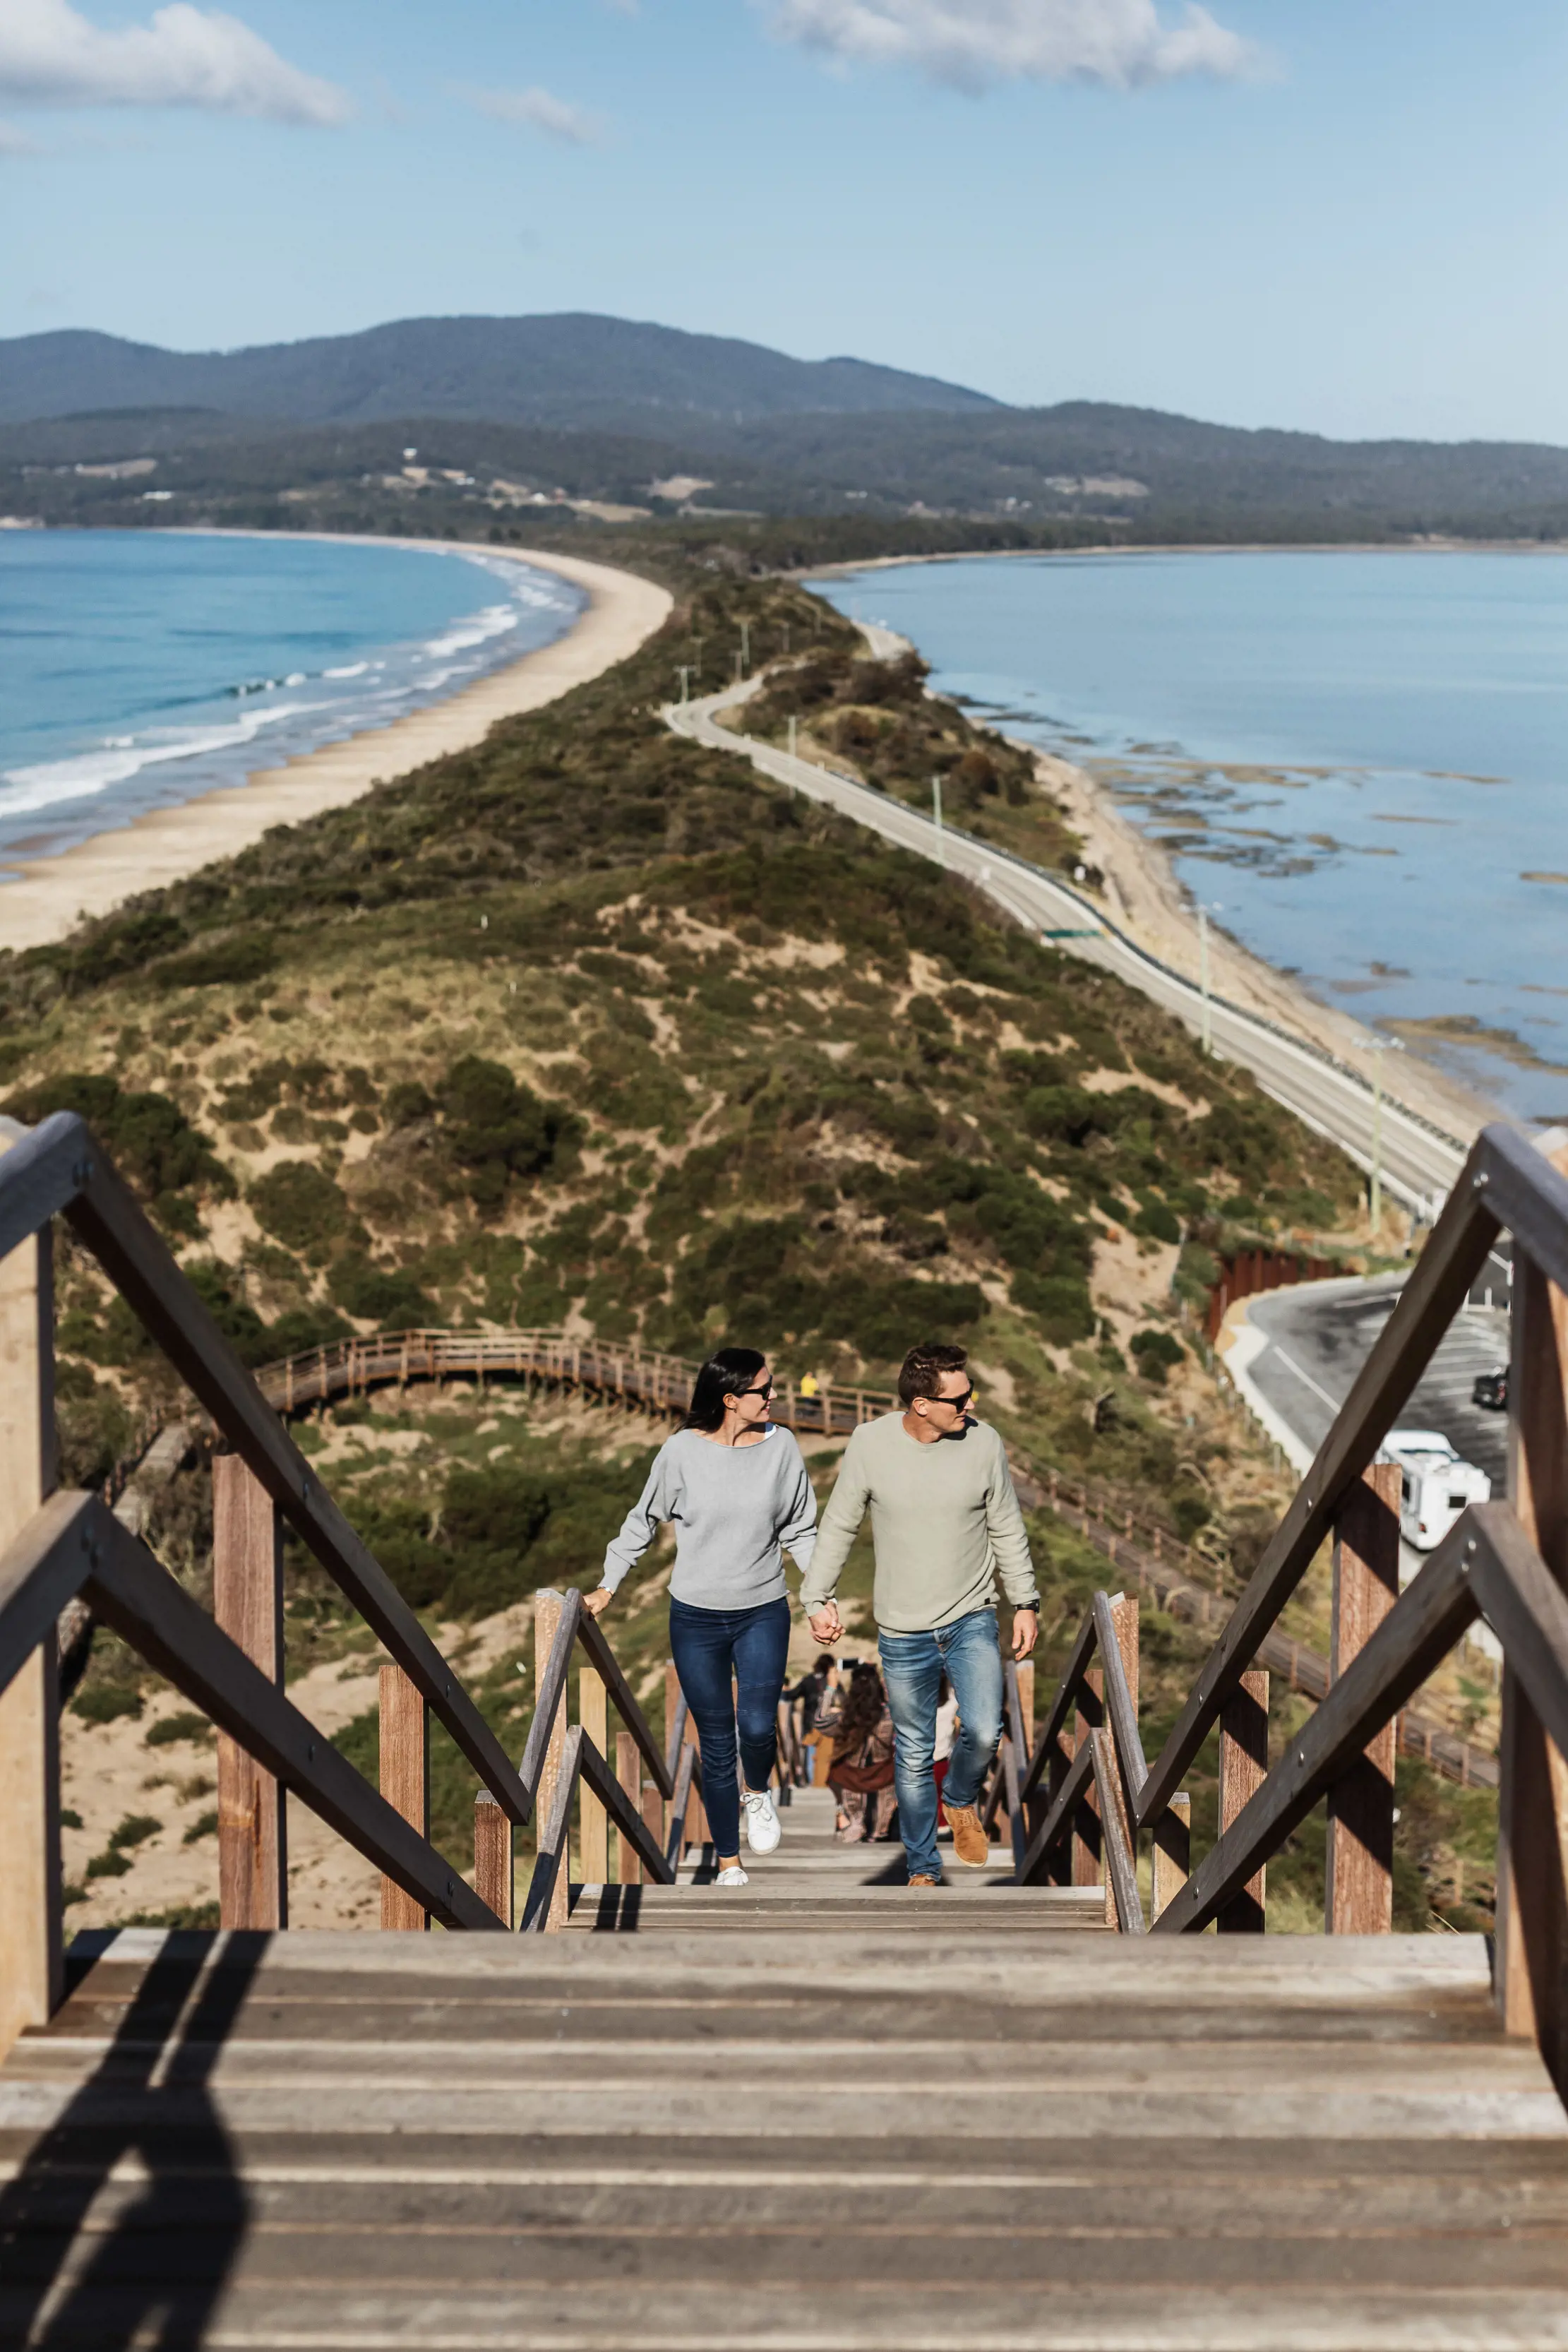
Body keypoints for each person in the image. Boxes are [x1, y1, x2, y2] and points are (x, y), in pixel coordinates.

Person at [799, 1341, 1039, 1888]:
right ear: (920, 1404)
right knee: (911, 1748)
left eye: (969, 1393)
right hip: (902, 1627)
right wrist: (817, 1598)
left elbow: (1006, 1525)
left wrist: (1024, 1601)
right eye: (958, 1398)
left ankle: (958, 1799)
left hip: (971, 1613)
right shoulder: (870, 1442)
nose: (970, 1405)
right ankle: (923, 1865)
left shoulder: (983, 1443)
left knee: (982, 1729)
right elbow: (838, 1523)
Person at [587, 1347, 815, 1887]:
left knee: (757, 1726)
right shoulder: (679, 1453)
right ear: (731, 1399)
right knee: (715, 1741)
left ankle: (756, 1792)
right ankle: (729, 1863)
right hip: (695, 1618)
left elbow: (801, 1528)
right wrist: (607, 1585)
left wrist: (821, 1594)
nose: (774, 1397)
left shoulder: (781, 1447)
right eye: (765, 1389)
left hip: (762, 1608)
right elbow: (640, 1520)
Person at [816, 1660, 897, 1843]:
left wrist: (831, 1687)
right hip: (884, 1779)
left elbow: (820, 1721)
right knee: (879, 1832)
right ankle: (877, 1831)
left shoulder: (845, 1718)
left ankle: (846, 1818)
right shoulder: (890, 1716)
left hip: (850, 1780)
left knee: (835, 1770)